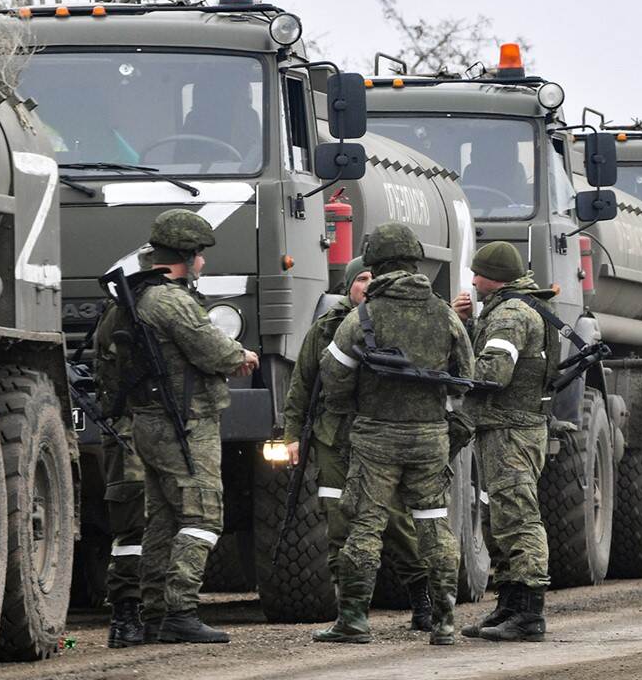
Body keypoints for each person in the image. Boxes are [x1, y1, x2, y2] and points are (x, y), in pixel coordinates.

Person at [313, 223, 474, 646]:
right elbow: (466, 380)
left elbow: (333, 378)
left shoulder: (361, 316)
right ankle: (444, 623)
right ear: (415, 260)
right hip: (430, 437)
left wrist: (358, 408)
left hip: (375, 438)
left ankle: (353, 620)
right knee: (434, 524)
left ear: (376, 264)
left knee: (365, 526)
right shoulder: (444, 314)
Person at [125, 209, 258, 644]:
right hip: (184, 423)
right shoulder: (172, 300)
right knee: (203, 515)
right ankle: (181, 611)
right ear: (186, 255)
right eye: (199, 255)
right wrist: (242, 357)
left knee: (164, 519)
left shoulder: (138, 295)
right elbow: (212, 351)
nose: (202, 263)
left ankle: (155, 613)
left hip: (149, 420)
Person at [282, 258, 433, 632]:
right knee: (339, 521)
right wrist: (291, 436)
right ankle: (349, 613)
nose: (367, 284)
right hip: (335, 437)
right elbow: (302, 385)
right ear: (348, 285)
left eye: (373, 278)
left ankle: (423, 600)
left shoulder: (392, 322)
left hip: (381, 438)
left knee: (395, 520)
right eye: (360, 279)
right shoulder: (326, 328)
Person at [452, 241, 557, 642]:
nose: (473, 282)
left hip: (512, 430)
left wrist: (453, 356)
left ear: (492, 276)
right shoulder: (511, 308)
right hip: (505, 428)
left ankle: (528, 613)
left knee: (518, 518)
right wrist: (466, 325)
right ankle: (510, 606)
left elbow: (493, 374)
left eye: (477, 274)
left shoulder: (510, 315)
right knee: (499, 519)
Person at [94, 245, 154, 649]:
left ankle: (137, 614)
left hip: (132, 433)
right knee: (133, 526)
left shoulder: (116, 317)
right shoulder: (128, 319)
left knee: (139, 526)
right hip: (132, 432)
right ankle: (129, 614)